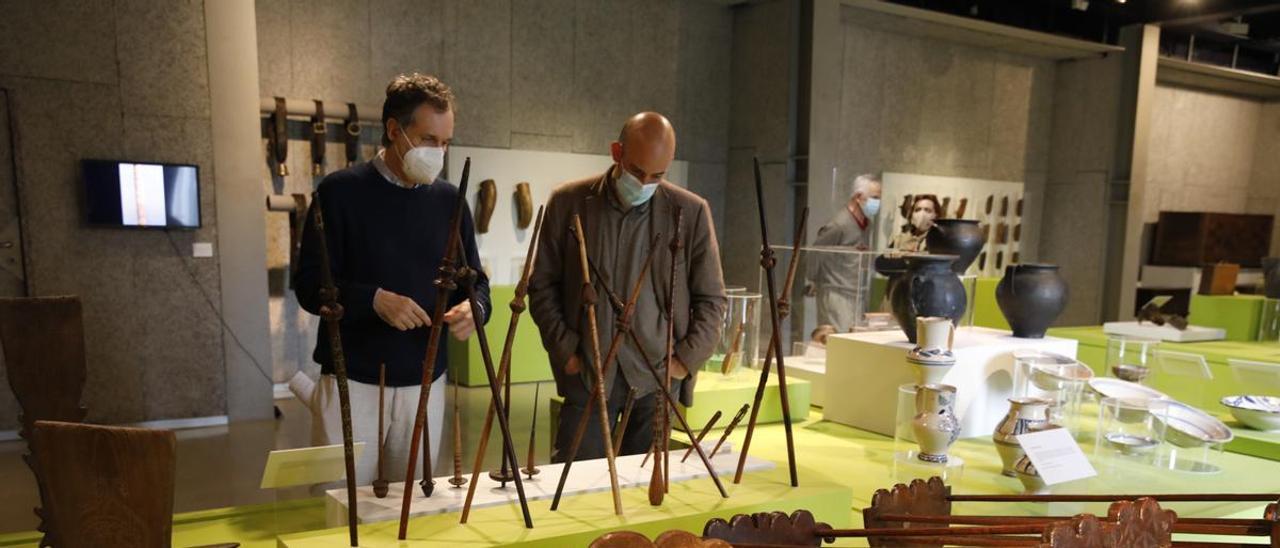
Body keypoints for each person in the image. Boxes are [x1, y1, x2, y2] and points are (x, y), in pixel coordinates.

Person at [295, 73, 489, 485]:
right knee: (339, 502)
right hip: (353, 381)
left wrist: (476, 308)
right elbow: (310, 284)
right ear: (394, 131)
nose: (439, 152)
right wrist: (373, 300)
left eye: (446, 142)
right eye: (428, 140)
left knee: (412, 508)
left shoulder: (449, 201)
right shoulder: (339, 192)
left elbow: (475, 281)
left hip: (425, 381)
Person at [529, 112, 727, 462]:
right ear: (617, 151)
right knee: (575, 486)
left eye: (658, 176)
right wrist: (568, 353)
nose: (645, 182)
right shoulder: (568, 202)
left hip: (656, 381)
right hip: (588, 375)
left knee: (642, 493)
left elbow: (712, 299)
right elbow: (542, 284)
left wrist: (683, 361)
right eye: (637, 172)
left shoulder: (691, 211)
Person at [806, 173, 882, 332]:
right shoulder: (839, 225)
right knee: (838, 339)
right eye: (875, 197)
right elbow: (816, 251)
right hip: (836, 293)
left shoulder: (867, 226)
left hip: (857, 292)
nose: (877, 203)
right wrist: (814, 280)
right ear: (859, 197)